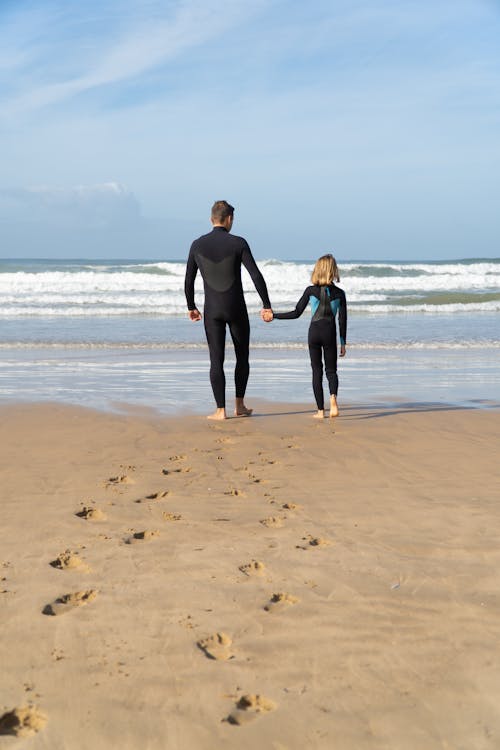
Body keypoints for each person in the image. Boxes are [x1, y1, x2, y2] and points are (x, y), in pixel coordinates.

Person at [184, 200, 272, 420]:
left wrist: (191, 306)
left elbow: (188, 280)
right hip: (236, 309)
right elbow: (256, 275)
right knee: (242, 357)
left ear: (211, 218)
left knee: (216, 360)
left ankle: (220, 410)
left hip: (212, 311)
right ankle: (239, 406)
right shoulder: (238, 243)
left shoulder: (197, 244)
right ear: (229, 219)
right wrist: (266, 304)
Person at [267, 254, 347, 419]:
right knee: (331, 371)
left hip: (314, 334)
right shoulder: (340, 294)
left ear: (317, 270)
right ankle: (333, 399)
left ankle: (320, 411)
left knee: (316, 371)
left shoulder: (310, 291)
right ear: (333, 271)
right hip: (329, 334)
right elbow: (342, 320)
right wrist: (343, 343)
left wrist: (274, 315)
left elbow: (296, 313)